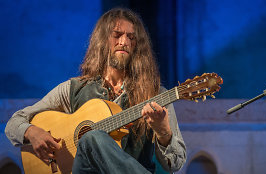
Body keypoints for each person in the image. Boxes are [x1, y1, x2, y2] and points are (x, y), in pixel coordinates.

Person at [5, 8, 186, 174]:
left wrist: (164, 133)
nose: (124, 42)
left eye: (131, 37)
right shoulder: (73, 89)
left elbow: (175, 164)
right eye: (117, 35)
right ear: (103, 40)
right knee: (92, 138)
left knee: (92, 137)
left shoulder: (155, 96)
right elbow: (14, 123)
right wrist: (31, 132)